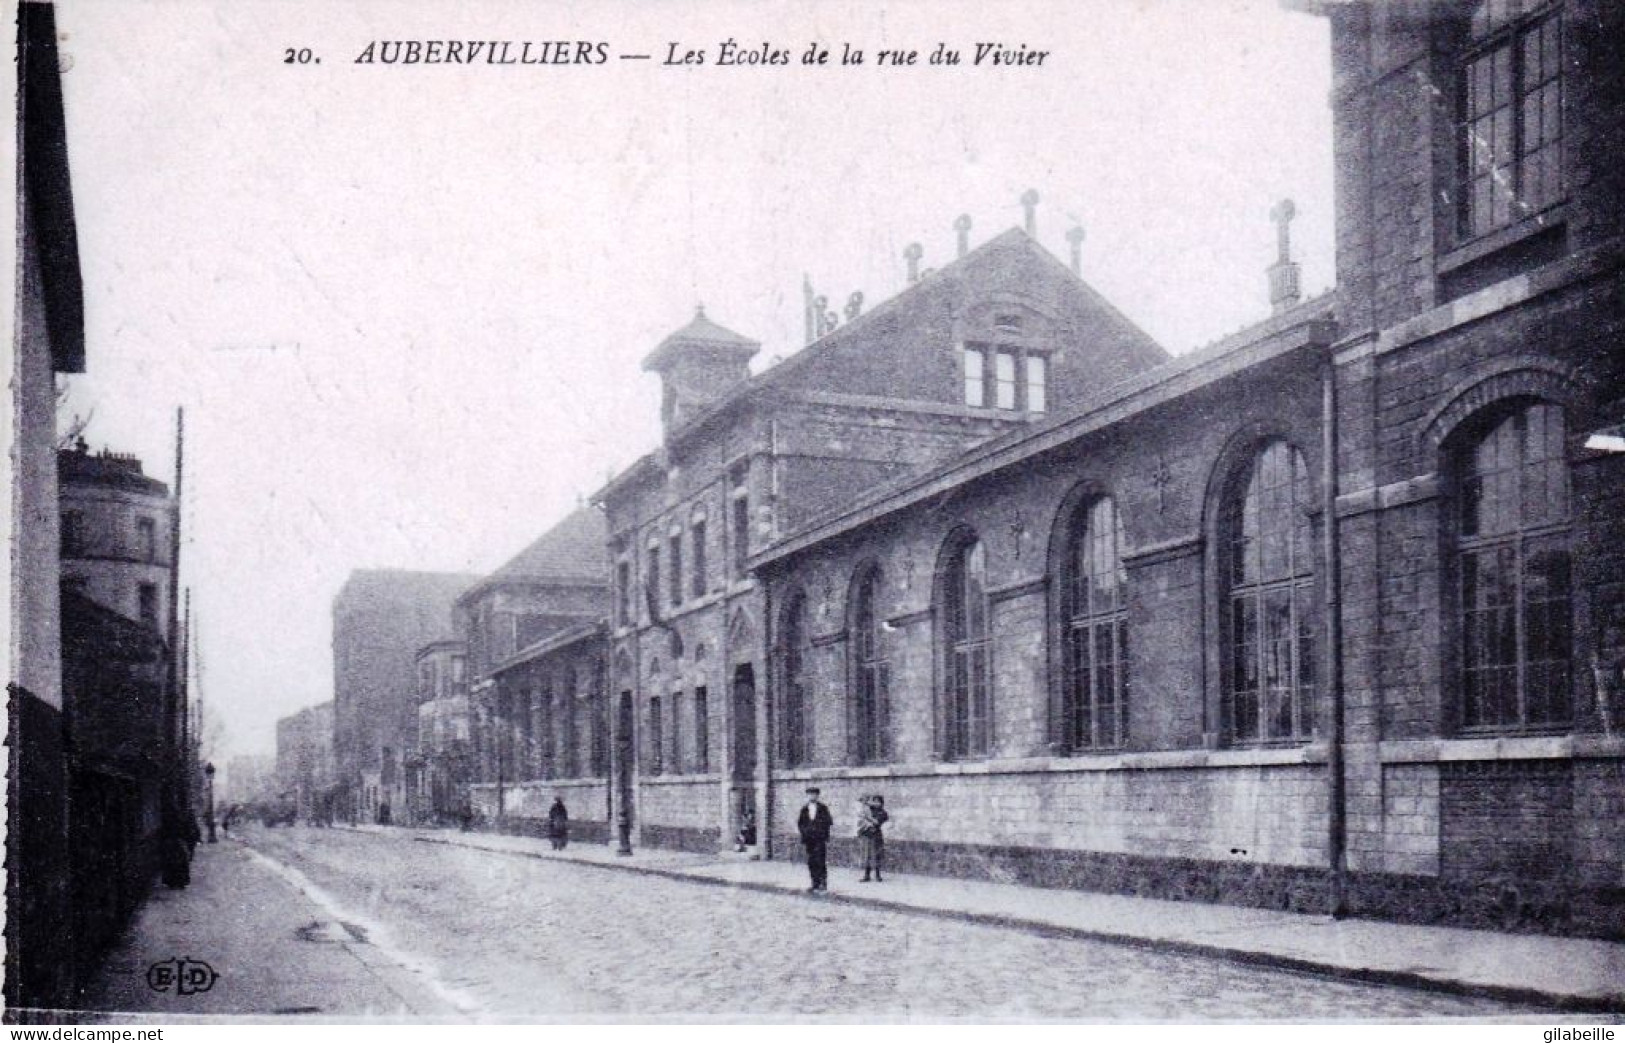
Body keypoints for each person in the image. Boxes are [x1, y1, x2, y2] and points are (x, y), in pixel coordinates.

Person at [796, 786, 833, 892]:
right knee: (811, 861)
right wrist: (805, 832)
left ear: (817, 796)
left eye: (814, 794)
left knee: (821, 860)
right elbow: (800, 823)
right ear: (807, 796)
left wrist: (821, 831)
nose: (812, 796)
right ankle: (814, 883)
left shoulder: (823, 808)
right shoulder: (804, 809)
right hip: (809, 839)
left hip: (819, 839)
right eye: (810, 794)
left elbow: (829, 821)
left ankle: (823, 883)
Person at [857, 794, 889, 882]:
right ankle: (866, 875)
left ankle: (878, 875)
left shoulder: (883, 813)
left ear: (882, 803)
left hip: (876, 835)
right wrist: (864, 801)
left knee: (876, 855)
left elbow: (876, 822)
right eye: (874, 801)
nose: (876, 803)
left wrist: (867, 817)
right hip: (867, 834)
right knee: (867, 855)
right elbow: (861, 805)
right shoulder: (869, 809)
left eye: (878, 801)